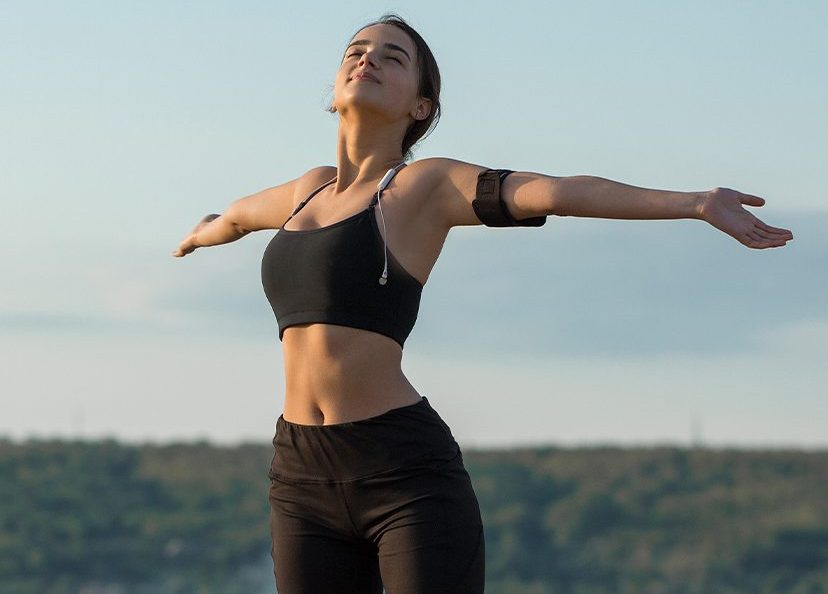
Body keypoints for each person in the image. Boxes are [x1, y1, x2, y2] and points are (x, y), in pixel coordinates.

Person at [171, 13, 794, 594]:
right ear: (333, 90)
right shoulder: (305, 193)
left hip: (403, 474)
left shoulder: (423, 186)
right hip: (300, 474)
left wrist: (694, 201)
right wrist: (201, 231)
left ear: (421, 106)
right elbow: (234, 218)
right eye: (355, 52)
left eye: (393, 57)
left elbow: (553, 192)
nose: (368, 60)